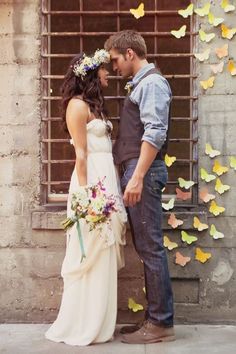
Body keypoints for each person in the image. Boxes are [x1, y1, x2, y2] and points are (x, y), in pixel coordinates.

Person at [45, 49, 127, 346]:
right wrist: (87, 197)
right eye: (104, 70)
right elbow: (81, 155)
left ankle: (102, 323)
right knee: (90, 253)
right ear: (92, 74)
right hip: (91, 183)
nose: (108, 73)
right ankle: (84, 323)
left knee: (104, 254)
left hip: (107, 179)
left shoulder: (96, 105)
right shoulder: (77, 106)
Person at [104, 30, 175, 344]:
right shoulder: (142, 84)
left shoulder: (152, 84)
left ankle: (160, 323)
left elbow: (155, 132)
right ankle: (153, 318)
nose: (115, 67)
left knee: (151, 248)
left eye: (116, 59)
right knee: (147, 247)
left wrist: (137, 177)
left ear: (130, 53)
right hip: (137, 170)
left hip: (142, 172)